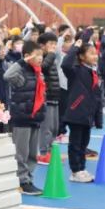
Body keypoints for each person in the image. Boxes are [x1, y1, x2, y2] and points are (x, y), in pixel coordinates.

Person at [3, 40, 46, 195]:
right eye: (37, 55)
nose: (40, 58)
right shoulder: (20, 73)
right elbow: (7, 75)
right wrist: (22, 62)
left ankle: (28, 178)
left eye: (41, 55)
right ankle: (22, 180)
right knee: (21, 152)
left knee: (32, 153)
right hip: (21, 118)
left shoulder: (38, 72)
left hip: (35, 117)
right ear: (27, 56)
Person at [62, 33, 102, 183]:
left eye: (95, 53)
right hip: (76, 113)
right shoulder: (76, 71)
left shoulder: (93, 72)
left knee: (84, 143)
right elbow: (65, 64)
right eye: (91, 53)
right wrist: (75, 47)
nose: (95, 56)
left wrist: (97, 118)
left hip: (87, 114)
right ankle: (75, 171)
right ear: (81, 57)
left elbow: (97, 96)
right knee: (75, 144)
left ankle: (82, 168)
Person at [35, 32, 62, 161]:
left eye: (55, 44)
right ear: (42, 46)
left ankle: (51, 152)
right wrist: (51, 54)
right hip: (46, 97)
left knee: (55, 127)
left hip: (54, 96)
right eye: (51, 44)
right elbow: (43, 68)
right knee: (46, 127)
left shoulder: (52, 58)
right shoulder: (41, 57)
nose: (53, 47)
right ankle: (43, 152)